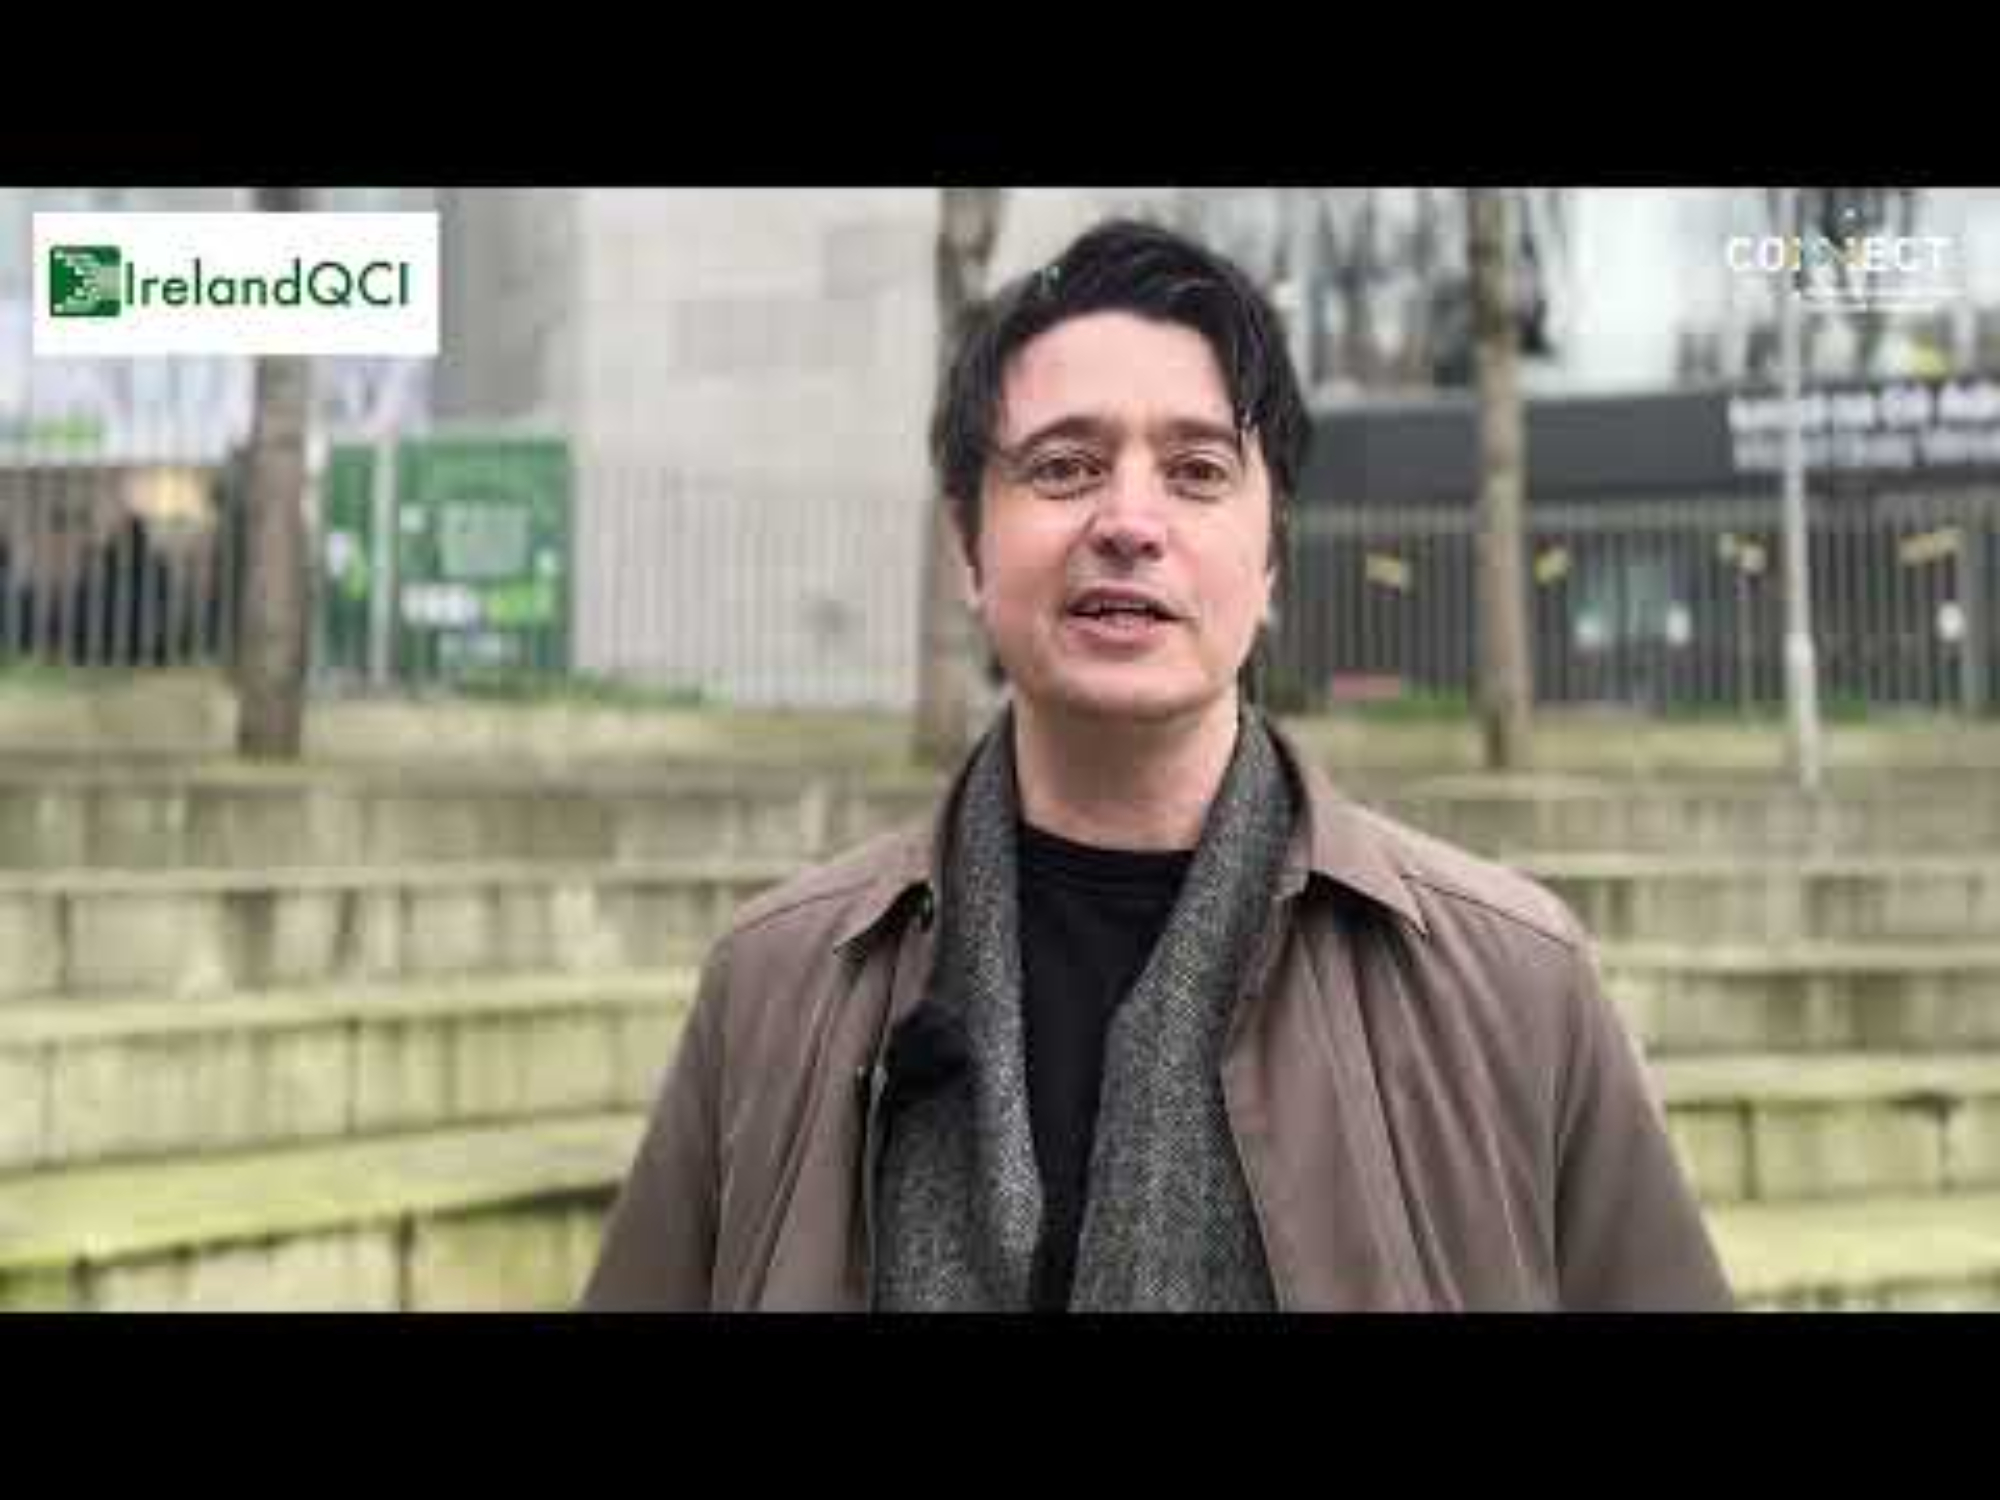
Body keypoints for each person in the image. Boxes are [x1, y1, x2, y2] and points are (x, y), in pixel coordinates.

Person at [582, 218, 1732, 1312]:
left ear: (1269, 558)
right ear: (967, 547)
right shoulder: (773, 985)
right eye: (1064, 466)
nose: (1129, 521)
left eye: (1195, 471)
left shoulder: (1515, 987)